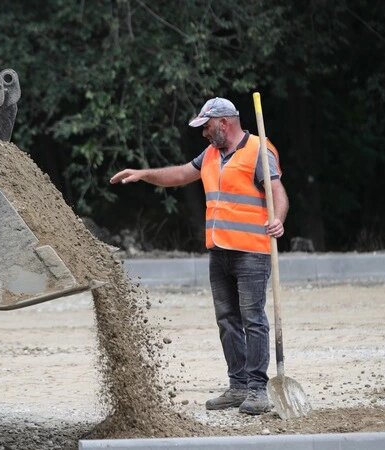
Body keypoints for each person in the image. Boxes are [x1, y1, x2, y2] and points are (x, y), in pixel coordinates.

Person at [110, 97, 288, 415]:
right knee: (227, 321)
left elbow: (278, 193)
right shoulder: (210, 154)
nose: (204, 133)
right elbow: (180, 175)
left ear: (224, 122)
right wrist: (143, 174)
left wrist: (279, 220)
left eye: (206, 126)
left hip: (251, 251)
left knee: (253, 320)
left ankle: (258, 390)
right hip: (219, 250)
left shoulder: (259, 151)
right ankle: (238, 387)